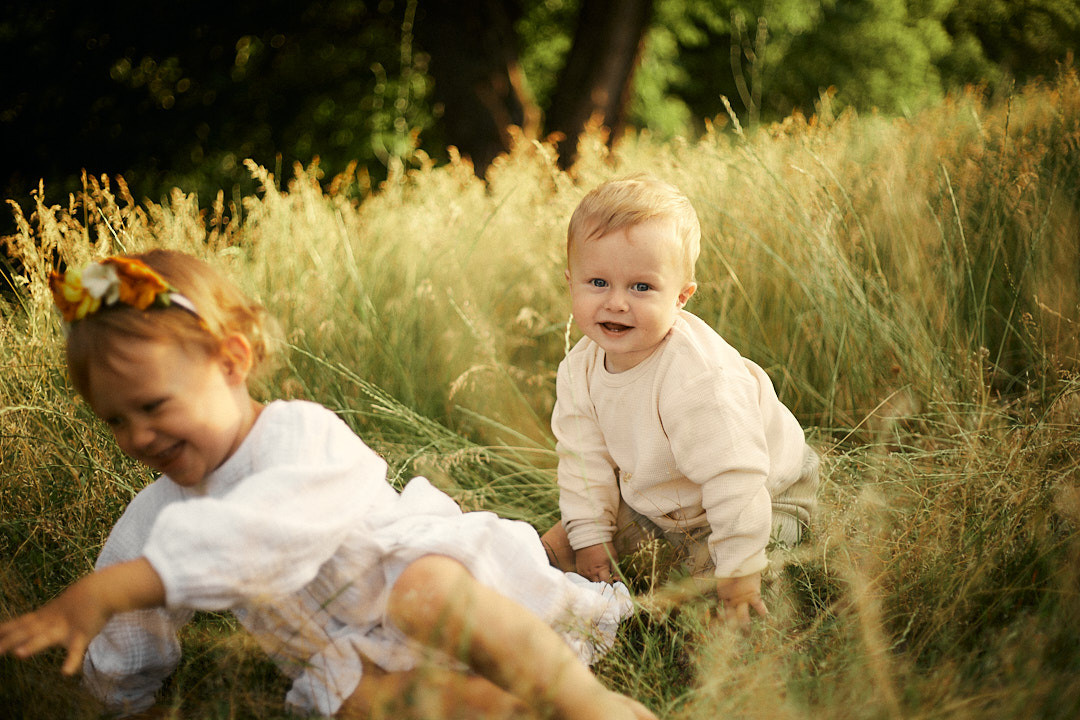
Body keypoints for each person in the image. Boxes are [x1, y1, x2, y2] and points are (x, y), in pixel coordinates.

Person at [0, 250, 657, 720]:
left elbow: (256, 537)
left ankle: (588, 702)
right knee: (358, 700)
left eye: (153, 406)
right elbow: (130, 614)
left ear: (230, 361)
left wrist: (123, 584)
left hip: (427, 595)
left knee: (425, 592)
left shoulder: (297, 435)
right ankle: (511, 708)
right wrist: (120, 691)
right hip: (352, 654)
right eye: (116, 420)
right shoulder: (161, 513)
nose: (138, 435)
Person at [540, 175, 819, 629]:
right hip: (663, 502)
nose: (616, 303)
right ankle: (530, 574)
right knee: (566, 540)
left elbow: (735, 477)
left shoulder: (698, 376)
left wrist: (739, 574)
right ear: (571, 283)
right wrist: (592, 540)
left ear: (681, 297)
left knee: (714, 595)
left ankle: (730, 609)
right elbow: (583, 460)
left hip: (766, 495)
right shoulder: (579, 370)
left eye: (641, 287)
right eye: (598, 282)